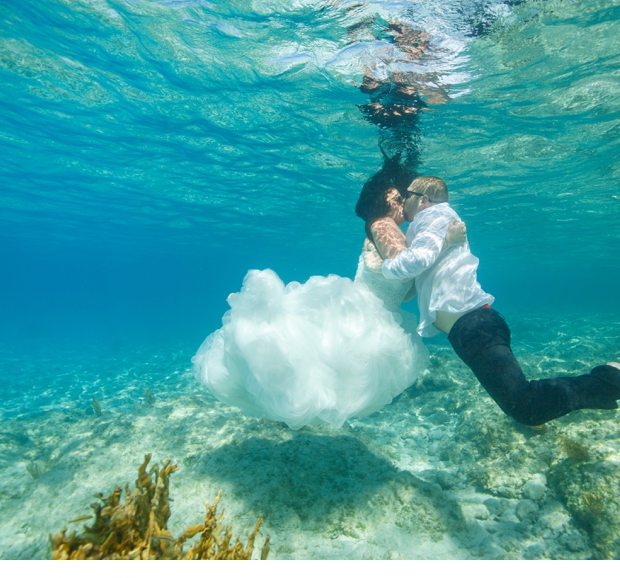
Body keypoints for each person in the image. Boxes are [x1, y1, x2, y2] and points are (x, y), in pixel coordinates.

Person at [382, 175, 620, 427]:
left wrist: (385, 265)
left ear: (424, 199)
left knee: (526, 407)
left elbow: (416, 261)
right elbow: (421, 275)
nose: (403, 203)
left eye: (407, 197)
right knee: (523, 405)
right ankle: (614, 384)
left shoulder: (432, 215)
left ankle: (615, 377)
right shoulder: (435, 221)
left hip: (474, 327)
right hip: (472, 327)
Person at [192, 173, 463, 430]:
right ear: (383, 203)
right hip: (363, 313)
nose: (402, 202)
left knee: (326, 375)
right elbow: (405, 266)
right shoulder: (383, 224)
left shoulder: (393, 230)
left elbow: (404, 286)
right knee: (321, 370)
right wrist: (445, 243)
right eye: (397, 198)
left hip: (379, 313)